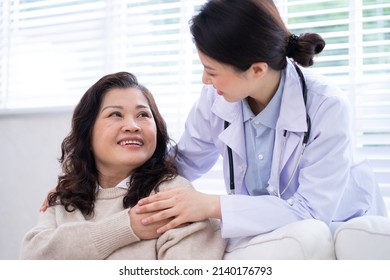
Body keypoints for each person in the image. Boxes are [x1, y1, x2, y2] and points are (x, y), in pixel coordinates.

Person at [133, 0, 388, 245]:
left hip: (343, 230)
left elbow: (310, 210)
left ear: (257, 70)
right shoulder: (216, 98)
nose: (205, 80)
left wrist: (210, 205)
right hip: (269, 235)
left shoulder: (326, 106)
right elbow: (183, 162)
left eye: (212, 71)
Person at [20, 72, 226, 260]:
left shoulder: (173, 197)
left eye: (143, 115)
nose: (133, 126)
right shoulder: (63, 199)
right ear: (87, 132)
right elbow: (31, 258)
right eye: (115, 114)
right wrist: (127, 227)